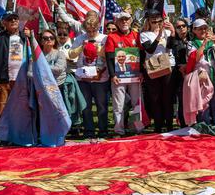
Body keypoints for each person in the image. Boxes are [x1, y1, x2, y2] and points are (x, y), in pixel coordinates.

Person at [73, 12, 110, 140]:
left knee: (102, 105)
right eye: (88, 30)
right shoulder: (79, 38)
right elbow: (71, 55)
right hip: (83, 78)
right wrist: (81, 48)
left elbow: (110, 56)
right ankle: (89, 131)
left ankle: (103, 130)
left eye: (93, 30)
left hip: (101, 78)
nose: (91, 32)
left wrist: (99, 50)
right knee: (86, 106)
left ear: (98, 27)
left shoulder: (105, 38)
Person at [106, 11, 143, 136]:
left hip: (134, 75)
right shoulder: (112, 37)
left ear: (131, 20)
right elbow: (109, 57)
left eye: (126, 19)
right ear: (117, 22)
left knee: (136, 102)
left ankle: (137, 128)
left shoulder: (136, 35)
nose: (124, 22)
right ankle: (119, 129)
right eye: (121, 20)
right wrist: (113, 75)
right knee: (118, 104)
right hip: (119, 76)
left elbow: (141, 56)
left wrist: (141, 72)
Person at [183, 18, 215, 126]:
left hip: (214, 74)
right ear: (194, 30)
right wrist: (204, 43)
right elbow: (195, 58)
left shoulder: (212, 42)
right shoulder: (191, 43)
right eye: (200, 29)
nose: (203, 31)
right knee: (203, 102)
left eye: (205, 28)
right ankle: (204, 124)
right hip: (202, 77)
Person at [41, 28, 85, 132]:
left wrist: (41, 67)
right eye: (45, 38)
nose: (48, 40)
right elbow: (30, 73)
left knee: (63, 111)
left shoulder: (59, 54)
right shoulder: (36, 55)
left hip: (59, 86)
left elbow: (59, 69)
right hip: (42, 89)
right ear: (41, 40)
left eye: (51, 37)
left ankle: (66, 130)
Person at [140, 11, 175, 133]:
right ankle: (158, 125)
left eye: (159, 21)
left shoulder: (168, 32)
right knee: (155, 97)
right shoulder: (144, 34)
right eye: (153, 21)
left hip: (167, 65)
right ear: (149, 22)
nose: (157, 23)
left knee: (168, 97)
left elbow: (171, 46)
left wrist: (173, 32)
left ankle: (169, 124)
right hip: (153, 66)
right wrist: (159, 35)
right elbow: (150, 50)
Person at [0, 11, 27, 121]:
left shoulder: (25, 37)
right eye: (10, 19)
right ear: (4, 22)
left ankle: (20, 135)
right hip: (3, 81)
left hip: (22, 80)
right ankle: (3, 136)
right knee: (2, 109)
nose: (13, 21)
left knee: (22, 109)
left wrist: (30, 37)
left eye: (15, 18)